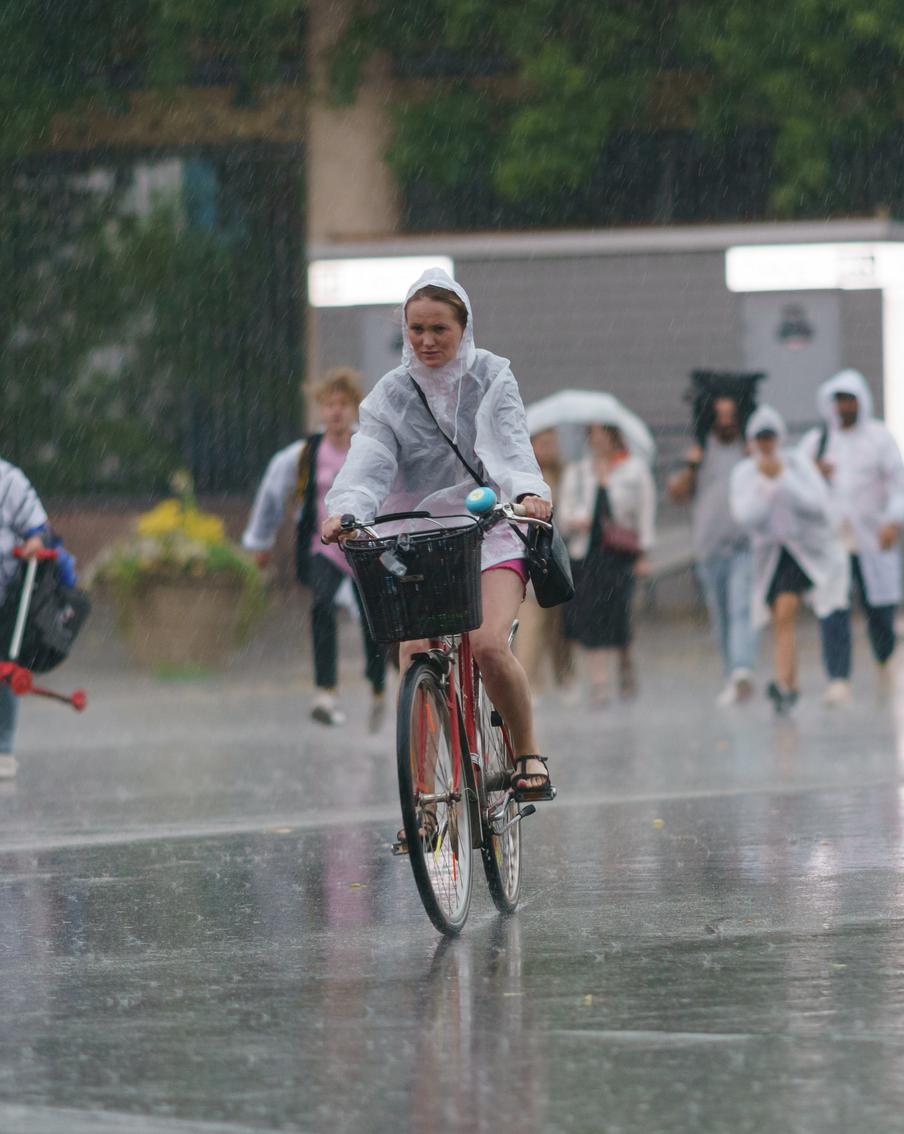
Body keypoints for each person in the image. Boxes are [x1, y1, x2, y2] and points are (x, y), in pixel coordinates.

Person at [321, 268, 554, 800]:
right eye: (415, 329)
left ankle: (527, 752)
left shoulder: (492, 376)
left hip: (488, 528)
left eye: (439, 329)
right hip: (417, 537)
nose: (426, 341)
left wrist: (528, 493)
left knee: (488, 644)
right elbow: (369, 460)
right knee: (414, 654)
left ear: (464, 328)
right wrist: (347, 509)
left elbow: (514, 444)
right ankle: (425, 795)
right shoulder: (391, 394)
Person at [242, 369, 387, 730]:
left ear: (354, 408)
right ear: (320, 411)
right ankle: (326, 689)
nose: (336, 412)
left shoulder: (368, 449)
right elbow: (272, 496)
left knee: (375, 622)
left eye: (343, 404)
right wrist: (260, 543)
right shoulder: (303, 455)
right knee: (321, 605)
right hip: (323, 548)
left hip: (365, 547)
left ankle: (379, 687)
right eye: (329, 405)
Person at [730, 407, 849, 714]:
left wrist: (782, 478)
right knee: (778, 619)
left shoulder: (797, 464)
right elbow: (746, 516)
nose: (766, 444)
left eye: (770, 437)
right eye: (760, 438)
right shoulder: (745, 473)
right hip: (769, 554)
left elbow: (816, 505)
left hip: (803, 551)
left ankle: (785, 681)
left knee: (786, 609)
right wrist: (765, 488)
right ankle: (788, 684)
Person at [799, 369, 904, 701]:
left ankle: (885, 657)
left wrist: (893, 522)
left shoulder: (879, 439)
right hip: (833, 542)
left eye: (849, 400)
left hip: (872, 540)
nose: (843, 407)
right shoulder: (818, 442)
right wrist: (812, 472)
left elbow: (898, 486)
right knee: (834, 608)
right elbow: (794, 481)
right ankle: (838, 676)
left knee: (878, 608)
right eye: (838, 401)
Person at [667, 395, 757, 706]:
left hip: (744, 544)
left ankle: (742, 670)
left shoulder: (749, 450)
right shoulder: (700, 451)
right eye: (720, 415)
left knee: (741, 608)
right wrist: (692, 465)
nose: (726, 421)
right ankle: (731, 674)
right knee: (721, 615)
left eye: (731, 415)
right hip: (708, 547)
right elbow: (677, 495)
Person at [558, 423, 656, 704]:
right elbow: (563, 514)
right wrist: (577, 520)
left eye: (604, 434)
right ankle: (599, 683)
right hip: (586, 555)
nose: (598, 440)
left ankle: (625, 661)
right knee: (590, 618)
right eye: (593, 435)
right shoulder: (577, 472)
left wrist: (643, 554)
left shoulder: (633, 470)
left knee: (620, 615)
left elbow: (645, 513)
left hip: (619, 556)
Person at [514, 428, 574, 697]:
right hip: (532, 557)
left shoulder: (566, 475)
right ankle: (529, 681)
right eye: (543, 443)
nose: (549, 449)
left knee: (560, 627)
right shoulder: (523, 481)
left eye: (552, 443)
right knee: (531, 625)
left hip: (559, 558)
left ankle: (564, 676)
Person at [0, 458, 49, 778]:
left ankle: (3, 748)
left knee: (6, 669)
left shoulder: (8, 480)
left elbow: (36, 525)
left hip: (6, 594)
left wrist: (34, 542)